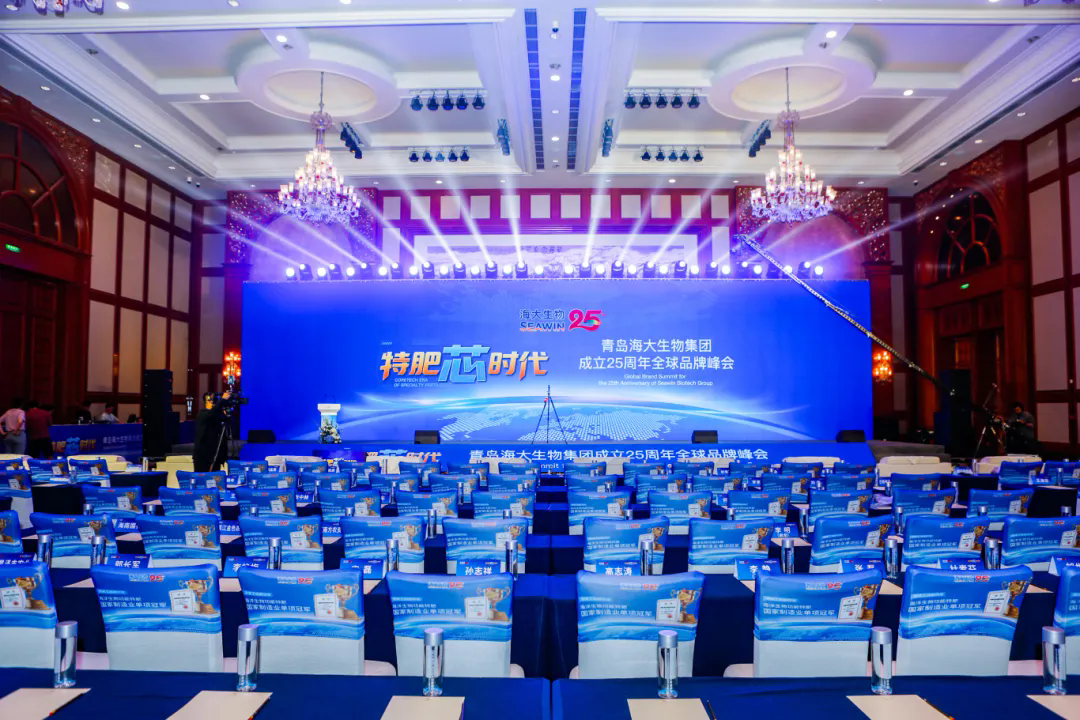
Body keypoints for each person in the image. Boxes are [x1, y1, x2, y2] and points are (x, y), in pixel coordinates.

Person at [193, 391, 231, 472]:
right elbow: (211, 414)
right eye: (209, 400)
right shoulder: (202, 413)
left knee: (215, 477)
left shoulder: (216, 415)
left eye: (213, 401)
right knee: (203, 478)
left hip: (215, 455)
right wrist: (222, 400)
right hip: (203, 456)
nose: (212, 402)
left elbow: (226, 420)